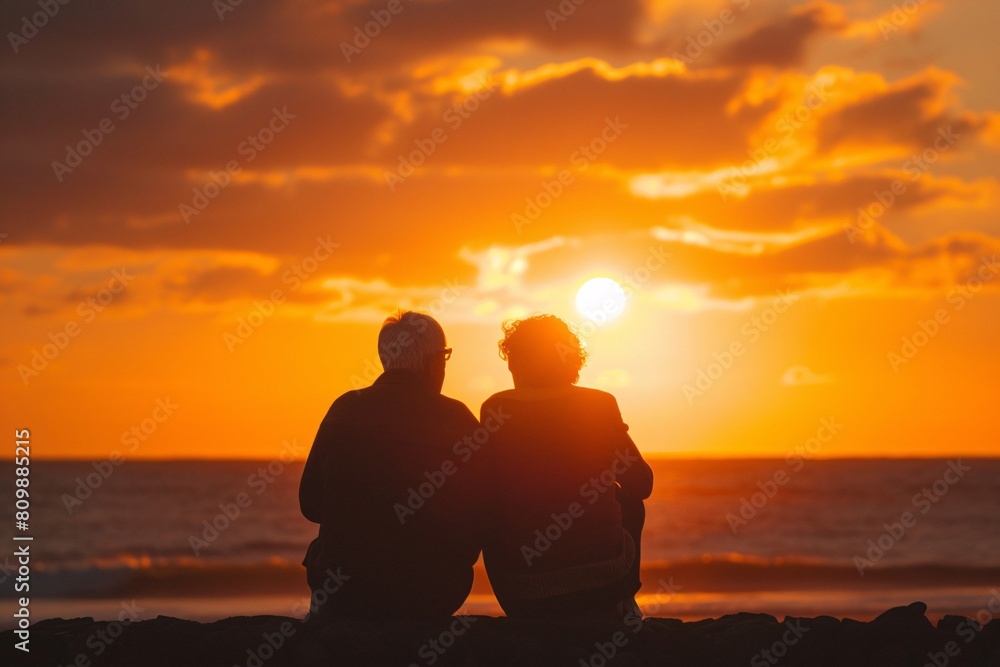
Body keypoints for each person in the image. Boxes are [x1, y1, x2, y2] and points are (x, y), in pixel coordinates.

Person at [298, 311, 485, 619]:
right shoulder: (458, 419)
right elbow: (482, 512)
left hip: (345, 590)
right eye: (445, 358)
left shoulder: (345, 408)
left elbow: (310, 506)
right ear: (434, 362)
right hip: (434, 591)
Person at [480, 314, 653, 620]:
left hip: (522, 595)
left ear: (518, 362)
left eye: (513, 359)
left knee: (490, 508)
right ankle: (624, 605)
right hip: (601, 590)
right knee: (630, 502)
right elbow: (641, 483)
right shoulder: (598, 405)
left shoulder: (496, 408)